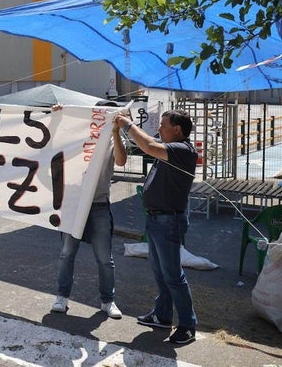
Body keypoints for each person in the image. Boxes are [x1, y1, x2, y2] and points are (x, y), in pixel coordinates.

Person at [113, 109, 198, 345]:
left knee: (173, 275)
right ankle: (162, 315)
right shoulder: (168, 148)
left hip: (168, 221)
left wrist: (128, 124)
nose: (159, 129)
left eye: (163, 125)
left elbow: (149, 146)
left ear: (177, 129)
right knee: (161, 274)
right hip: (156, 220)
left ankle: (188, 325)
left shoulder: (183, 150)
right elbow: (147, 144)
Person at [51, 102, 127, 319]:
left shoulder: (114, 140)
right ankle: (62, 297)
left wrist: (116, 132)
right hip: (73, 204)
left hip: (99, 204)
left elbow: (121, 161)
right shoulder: (78, 135)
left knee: (104, 258)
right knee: (66, 254)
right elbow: (52, 143)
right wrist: (58, 118)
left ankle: (107, 300)